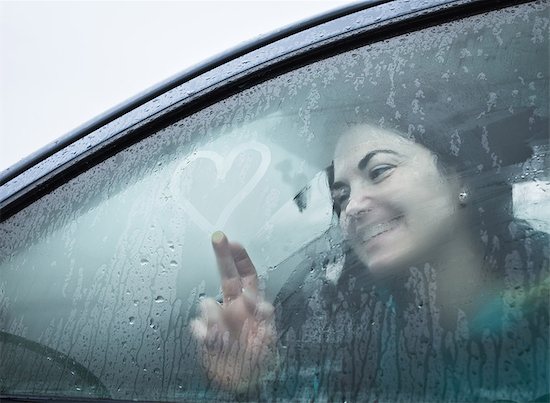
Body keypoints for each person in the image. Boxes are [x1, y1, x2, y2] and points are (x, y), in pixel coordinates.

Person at [191, 114, 549, 401]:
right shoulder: (342, 328)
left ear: (456, 177)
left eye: (379, 171)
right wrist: (251, 383)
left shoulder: (541, 303)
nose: (352, 208)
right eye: (342, 195)